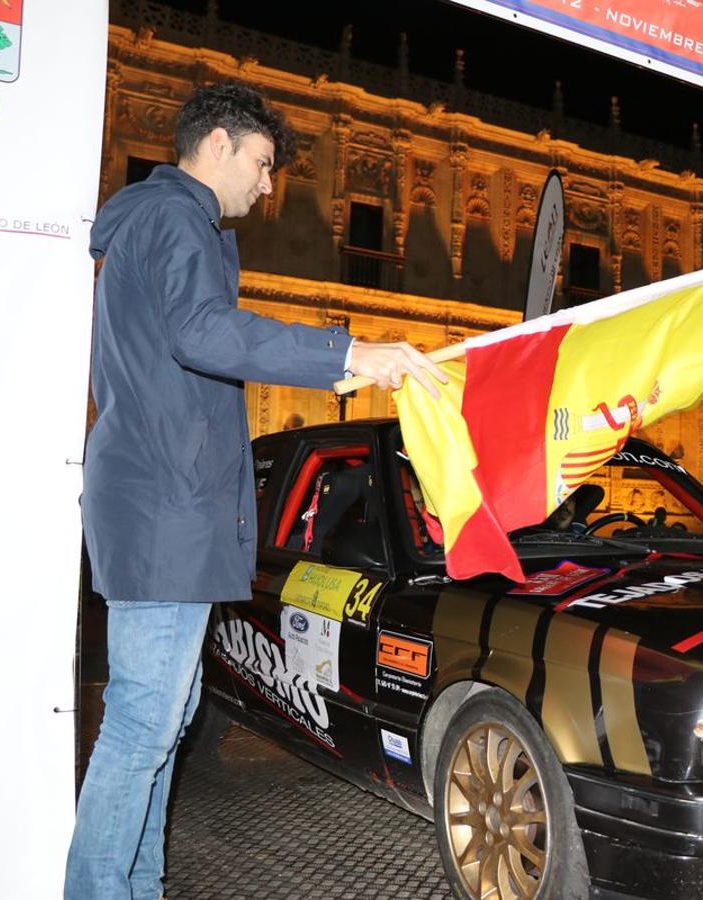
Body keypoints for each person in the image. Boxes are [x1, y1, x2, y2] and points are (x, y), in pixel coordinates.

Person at [68, 83, 446, 900]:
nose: (268, 187)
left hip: (163, 497)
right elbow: (203, 332)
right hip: (168, 502)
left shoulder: (152, 224)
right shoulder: (178, 219)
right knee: (143, 724)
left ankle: (135, 887)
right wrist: (349, 353)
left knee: (162, 723)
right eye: (264, 163)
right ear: (216, 146)